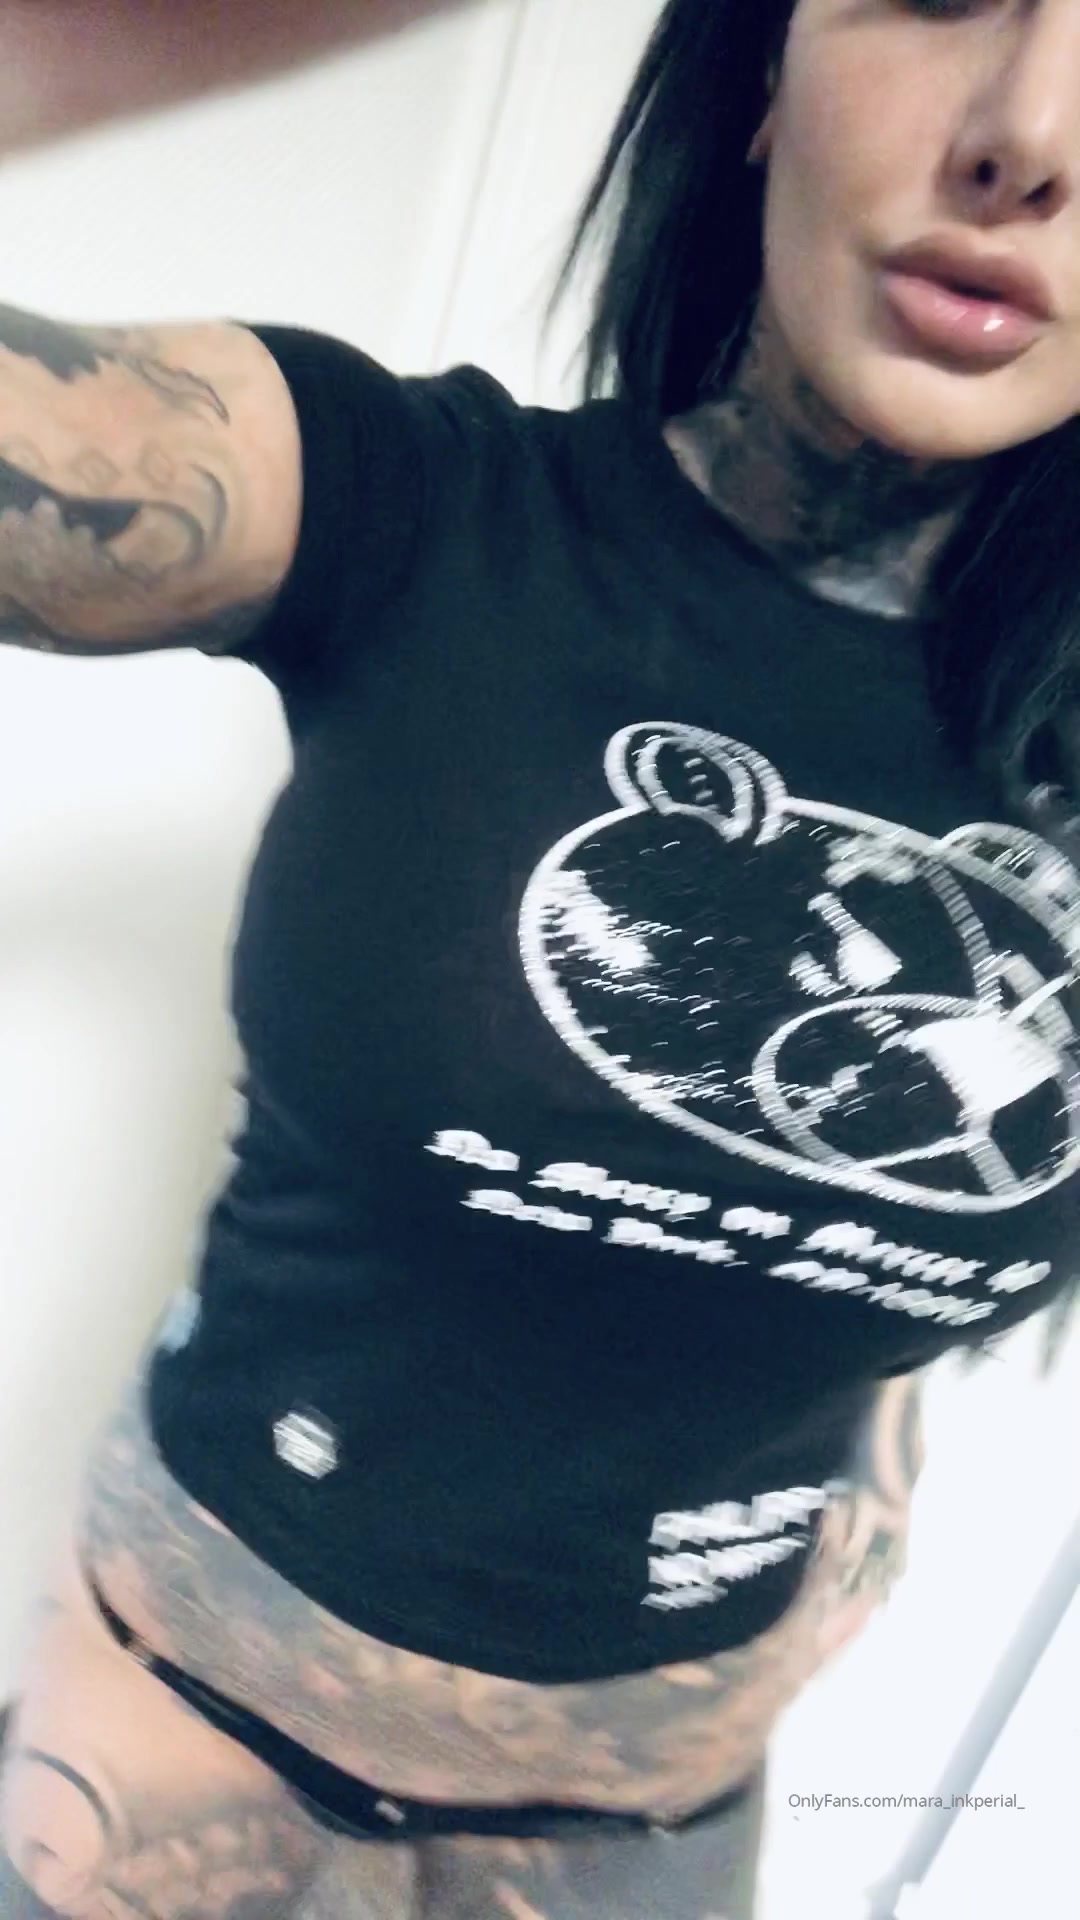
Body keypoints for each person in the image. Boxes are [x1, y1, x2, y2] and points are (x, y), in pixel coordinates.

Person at [1, 0, 1079, 1913]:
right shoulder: (416, 512)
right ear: (757, 79)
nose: (1033, 131)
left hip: (656, 1841)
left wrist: (873, 1452)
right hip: (174, 1778)